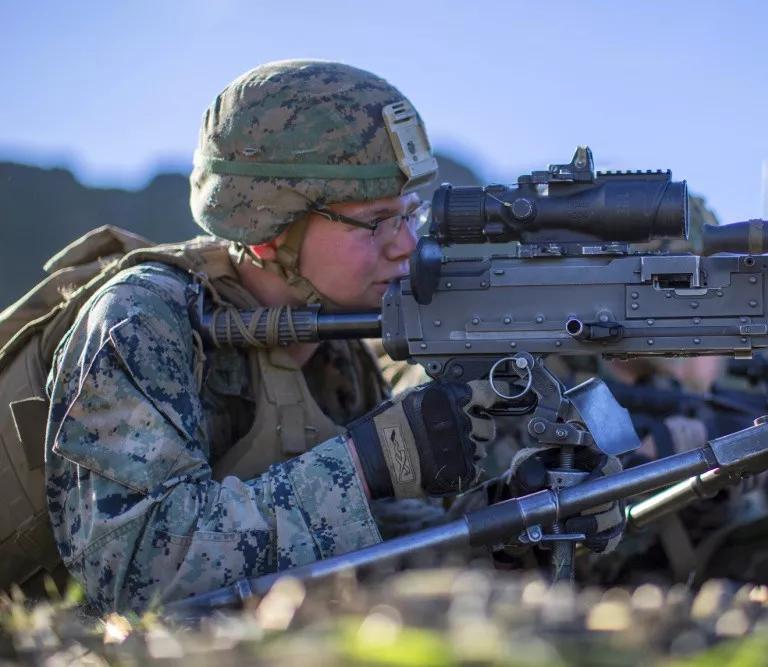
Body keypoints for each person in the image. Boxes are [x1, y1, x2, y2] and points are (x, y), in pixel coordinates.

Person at [43, 60, 485, 613]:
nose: (405, 246)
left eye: (409, 215)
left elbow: (361, 534)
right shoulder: (140, 321)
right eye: (376, 221)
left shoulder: (338, 346)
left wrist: (501, 517)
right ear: (268, 232)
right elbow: (136, 574)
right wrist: (364, 462)